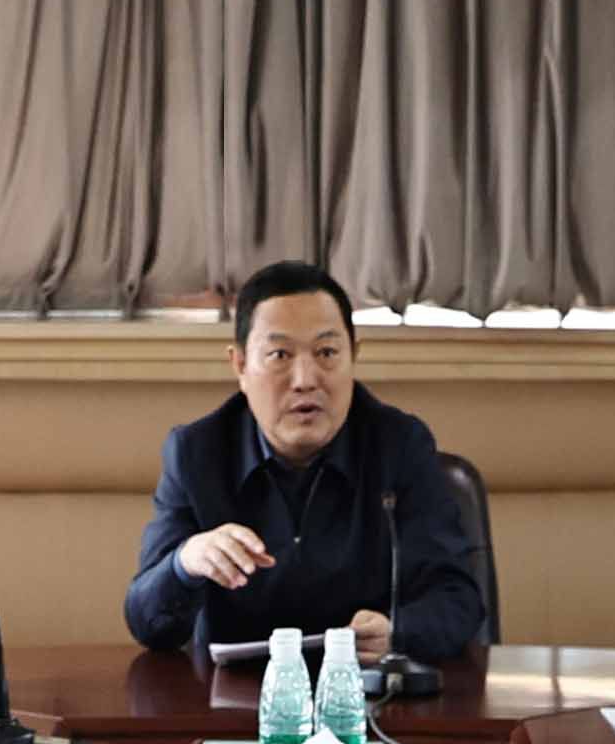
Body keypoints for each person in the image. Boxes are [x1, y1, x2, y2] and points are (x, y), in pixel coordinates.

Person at [122, 260, 491, 663]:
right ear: (240, 365)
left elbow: (458, 600)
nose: (305, 379)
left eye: (326, 352)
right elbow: (146, 622)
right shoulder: (196, 453)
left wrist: (398, 632)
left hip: (365, 691)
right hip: (235, 695)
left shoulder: (400, 445)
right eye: (280, 354)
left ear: (354, 357)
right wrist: (185, 562)